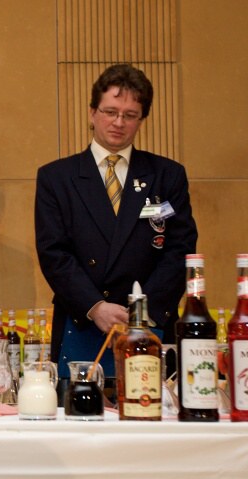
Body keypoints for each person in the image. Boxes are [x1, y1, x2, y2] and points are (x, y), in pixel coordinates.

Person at [34, 64, 197, 396]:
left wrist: (139, 314)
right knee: (81, 418)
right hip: (83, 319)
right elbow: (54, 253)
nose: (119, 122)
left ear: (141, 120)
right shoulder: (56, 178)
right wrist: (96, 307)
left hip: (150, 323)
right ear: (92, 112)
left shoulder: (167, 175)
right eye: (110, 112)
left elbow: (180, 249)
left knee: (151, 413)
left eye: (130, 115)